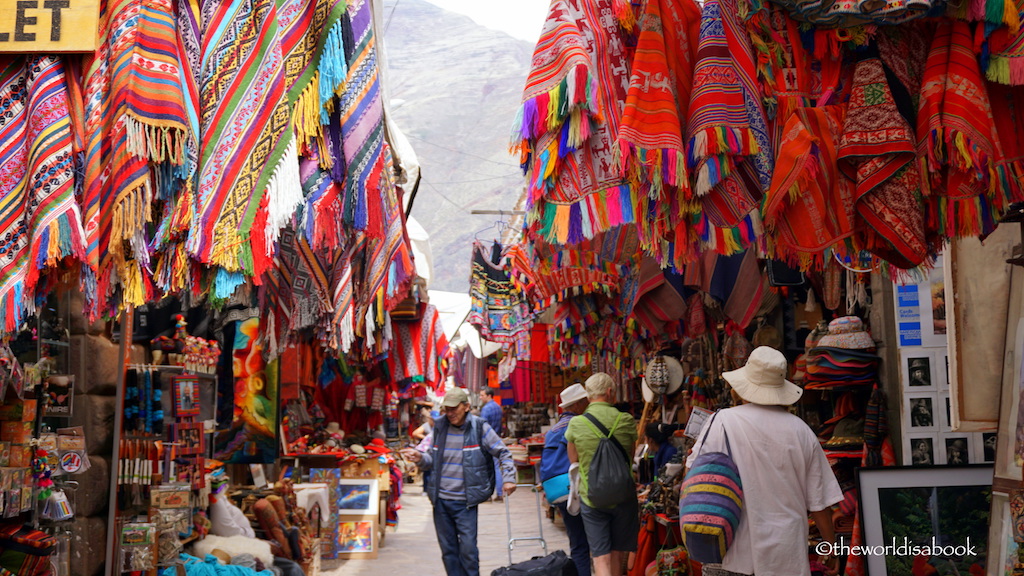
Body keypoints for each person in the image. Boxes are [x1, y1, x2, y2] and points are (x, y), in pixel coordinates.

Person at [686, 346, 842, 576]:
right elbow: (819, 502)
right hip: (786, 556)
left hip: (731, 552)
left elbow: (693, 473)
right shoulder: (801, 431)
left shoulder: (721, 422)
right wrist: (830, 549)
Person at [403, 388, 516, 576]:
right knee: (448, 552)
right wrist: (419, 458)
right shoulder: (439, 427)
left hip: (465, 502)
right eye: (447, 409)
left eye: (454, 408)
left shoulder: (479, 427)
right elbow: (431, 459)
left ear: (466, 407)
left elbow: (503, 452)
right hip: (440, 501)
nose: (450, 413)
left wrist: (509, 478)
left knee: (468, 550)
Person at [565, 373, 638, 576]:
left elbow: (574, 461)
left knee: (600, 557)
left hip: (592, 497)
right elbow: (630, 458)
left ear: (588, 396)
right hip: (624, 496)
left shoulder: (576, 424)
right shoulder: (626, 420)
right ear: (609, 392)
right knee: (617, 554)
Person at [539, 383, 591, 576]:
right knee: (595, 541)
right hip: (575, 487)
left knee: (577, 541)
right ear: (577, 405)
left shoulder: (552, 430)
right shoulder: (578, 424)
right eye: (585, 401)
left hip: (558, 489)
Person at [479, 388, 505, 500]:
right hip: (496, 438)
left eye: (482, 395)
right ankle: (499, 493)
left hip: (487, 440)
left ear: (489, 395)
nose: (480, 397)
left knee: (487, 468)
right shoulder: (498, 407)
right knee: (496, 467)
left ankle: (488, 495)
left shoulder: (486, 409)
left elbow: (482, 427)